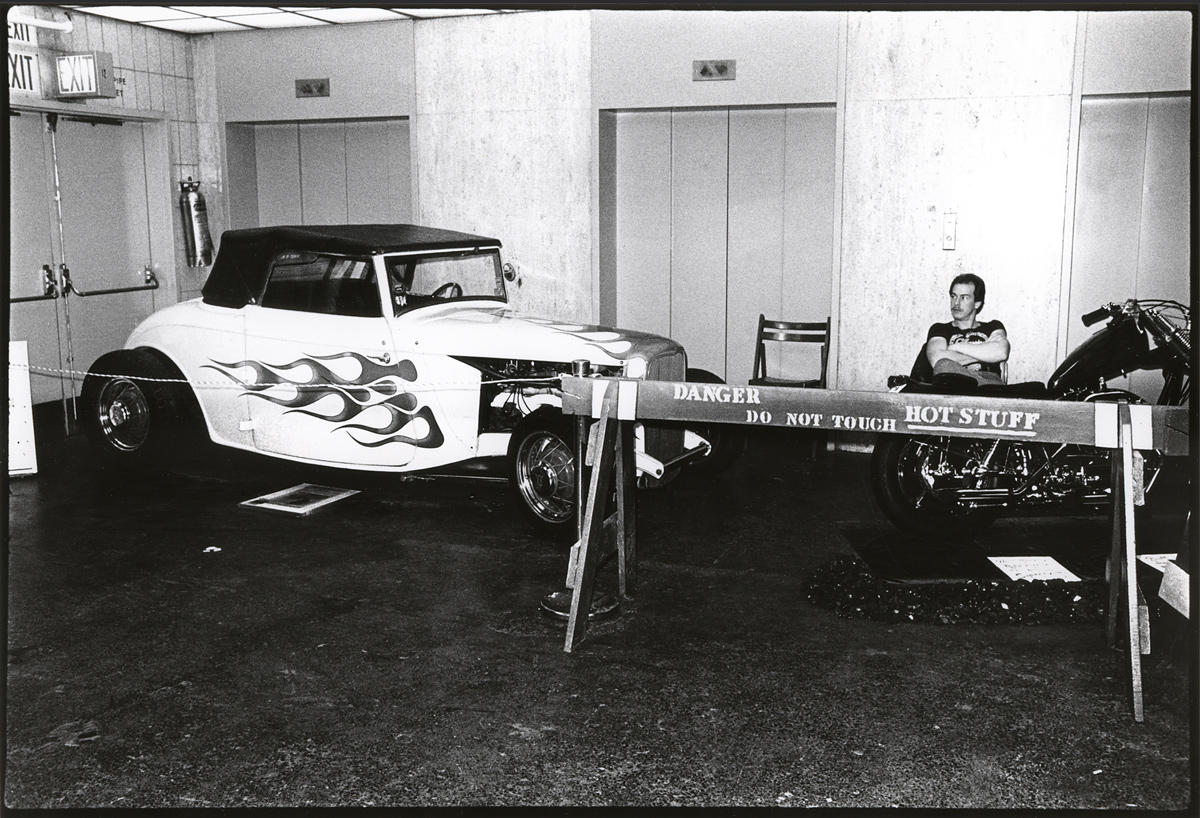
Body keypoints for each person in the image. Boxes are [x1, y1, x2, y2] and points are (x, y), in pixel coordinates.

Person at [924, 273, 1009, 386]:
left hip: (987, 385)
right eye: (954, 296)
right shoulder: (940, 329)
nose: (956, 303)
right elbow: (937, 360)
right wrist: (985, 354)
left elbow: (1001, 352)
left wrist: (955, 348)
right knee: (945, 366)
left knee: (1036, 388)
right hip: (953, 386)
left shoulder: (992, 327)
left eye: (964, 297)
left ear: (977, 304)